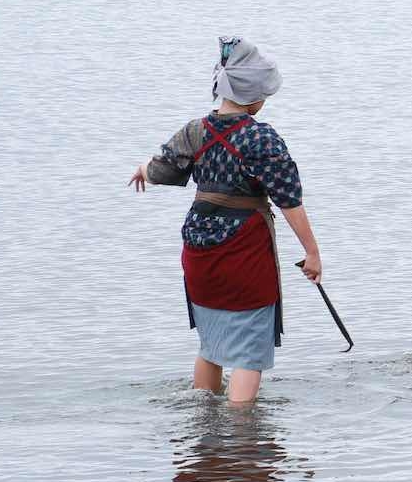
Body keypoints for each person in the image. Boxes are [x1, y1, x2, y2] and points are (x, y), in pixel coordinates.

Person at [130, 37, 323, 403]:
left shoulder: (196, 130)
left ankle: (206, 425)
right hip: (242, 253)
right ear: (255, 96)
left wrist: (143, 170)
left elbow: (162, 166)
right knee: (249, 351)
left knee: (211, 342)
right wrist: (312, 253)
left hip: (199, 254)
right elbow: (289, 201)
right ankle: (241, 436)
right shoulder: (261, 138)